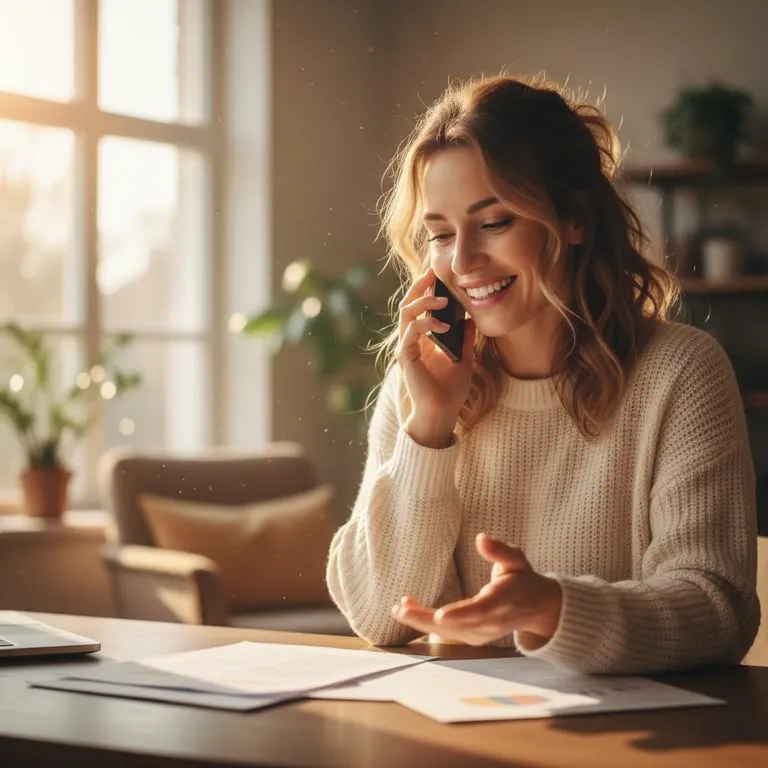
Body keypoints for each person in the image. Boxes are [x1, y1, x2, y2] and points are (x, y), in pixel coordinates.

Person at [325, 74, 759, 674]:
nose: (463, 260)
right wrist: (430, 426)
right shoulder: (421, 384)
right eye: (441, 234)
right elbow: (380, 618)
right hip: (457, 722)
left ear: (572, 217)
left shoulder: (680, 372)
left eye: (495, 222)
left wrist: (553, 610)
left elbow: (717, 610)